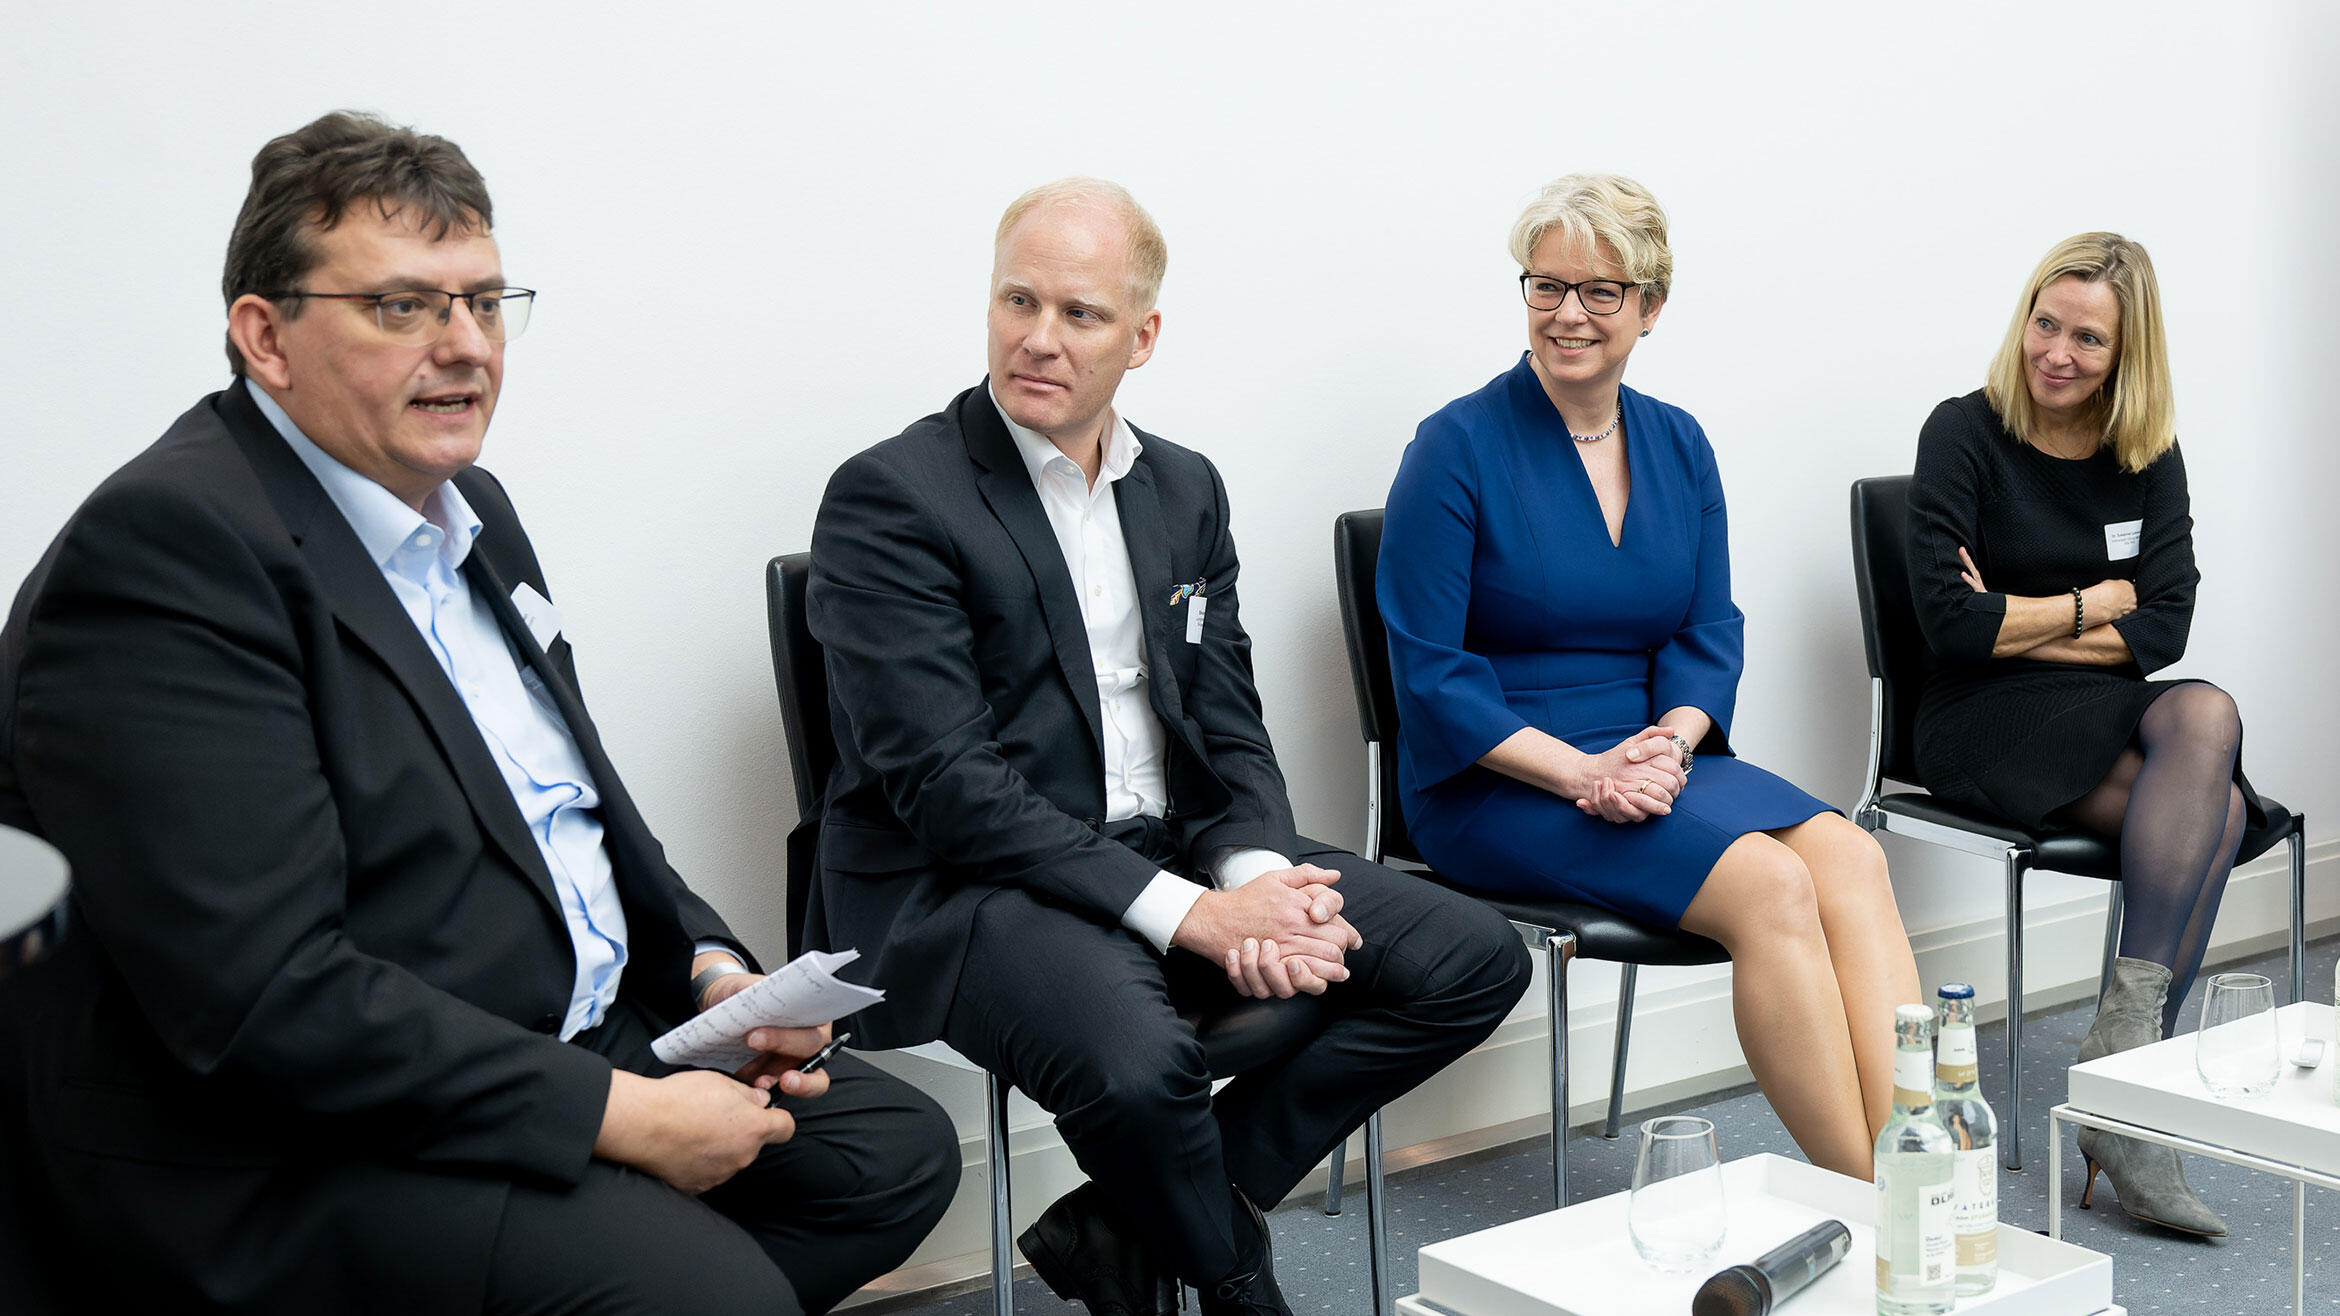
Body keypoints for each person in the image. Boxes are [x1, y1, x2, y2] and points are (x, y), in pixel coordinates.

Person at [0, 112, 956, 1313]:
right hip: (296, 1136)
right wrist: (624, 1119)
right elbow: (264, 997)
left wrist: (714, 973)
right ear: (266, 336)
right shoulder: (169, 556)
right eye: (404, 306)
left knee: (886, 1158)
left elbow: (576, 811)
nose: (465, 347)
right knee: (709, 1294)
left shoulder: (472, 508)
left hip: (541, 1035)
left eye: (486, 302)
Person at [805, 178, 1530, 1316]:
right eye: (1017, 301)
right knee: (1144, 1066)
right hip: (964, 885)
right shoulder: (892, 497)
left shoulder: (1185, 488)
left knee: (1472, 956)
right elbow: (948, 789)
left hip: (1175, 848)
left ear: (1142, 336)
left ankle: (1127, 1227)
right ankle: (1241, 1286)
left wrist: (1256, 876)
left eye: (1080, 314)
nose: (1038, 338)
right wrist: (1198, 916)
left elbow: (1230, 720)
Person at [1377, 173, 1921, 1181]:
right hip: (1496, 776)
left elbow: (1708, 627)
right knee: (1769, 883)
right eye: (1547, 285)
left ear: (1650, 307)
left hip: (1654, 751)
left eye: (1601, 290)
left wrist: (1669, 742)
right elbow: (1432, 675)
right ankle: (1874, 1202)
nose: (1569, 313)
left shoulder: (1678, 442)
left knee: (1848, 856)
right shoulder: (1453, 447)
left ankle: (1916, 1165)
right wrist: (1585, 776)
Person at [1906, 232, 2254, 1236]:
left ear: (2127, 355)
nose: (2055, 351)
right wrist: (2091, 603)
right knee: (2216, 803)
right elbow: (1949, 626)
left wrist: (2024, 617)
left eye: (2088, 339)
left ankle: (2119, 1067)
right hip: (1971, 716)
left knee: (2207, 721)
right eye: (2045, 322)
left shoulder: (2146, 456)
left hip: (2075, 706)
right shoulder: (1962, 432)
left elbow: (2166, 627)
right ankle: (2128, 1098)